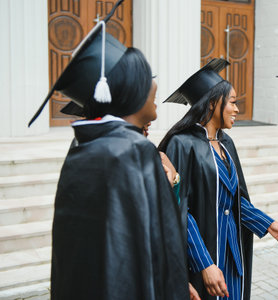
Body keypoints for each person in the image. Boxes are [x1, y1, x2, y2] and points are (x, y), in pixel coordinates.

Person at [28, 3, 189, 298]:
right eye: (147, 76)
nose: (155, 83)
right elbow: (159, 246)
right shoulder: (132, 150)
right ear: (129, 88)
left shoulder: (84, 145)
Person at [158, 58, 278, 300]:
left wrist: (267, 224)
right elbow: (179, 209)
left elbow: (234, 199)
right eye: (232, 102)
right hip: (204, 255)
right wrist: (205, 264)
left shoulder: (225, 143)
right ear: (212, 104)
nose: (237, 109)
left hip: (232, 251)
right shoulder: (182, 144)